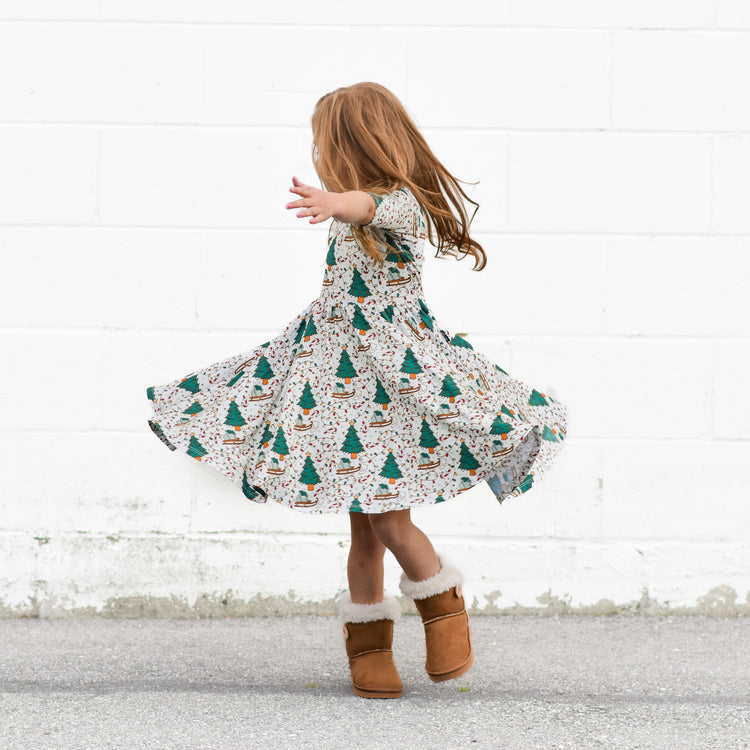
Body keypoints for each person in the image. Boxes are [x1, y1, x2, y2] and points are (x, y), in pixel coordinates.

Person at [146, 82, 568, 700]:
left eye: (325, 145)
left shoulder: (402, 206)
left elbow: (372, 207)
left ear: (356, 145)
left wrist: (336, 201)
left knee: (391, 521)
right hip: (344, 392)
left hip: (393, 386)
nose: (319, 156)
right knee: (363, 534)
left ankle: (443, 606)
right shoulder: (353, 216)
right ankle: (368, 645)